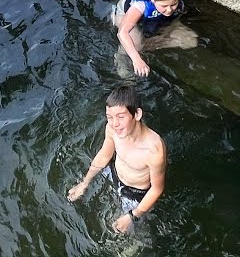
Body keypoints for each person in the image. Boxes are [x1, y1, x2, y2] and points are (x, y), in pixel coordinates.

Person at [67, 86, 167, 234]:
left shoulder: (154, 150)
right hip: (114, 174)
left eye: (121, 117)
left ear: (137, 114)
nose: (115, 123)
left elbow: (157, 189)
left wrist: (133, 215)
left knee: (124, 234)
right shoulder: (112, 129)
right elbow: (105, 154)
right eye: (110, 117)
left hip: (135, 194)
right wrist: (85, 182)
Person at [112, 0, 190, 77]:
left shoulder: (178, 4)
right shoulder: (140, 5)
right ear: (153, 1)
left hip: (156, 17)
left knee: (190, 41)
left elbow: (174, 21)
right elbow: (122, 33)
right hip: (126, 14)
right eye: (164, 6)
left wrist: (163, 35)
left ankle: (146, 46)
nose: (169, 9)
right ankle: (122, 60)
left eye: (173, 5)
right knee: (136, 45)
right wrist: (137, 60)